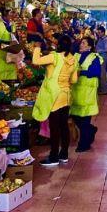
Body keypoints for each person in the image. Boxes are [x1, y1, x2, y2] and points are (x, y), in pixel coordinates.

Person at [32, 34, 78, 166]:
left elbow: (36, 60)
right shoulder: (73, 59)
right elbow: (74, 80)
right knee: (63, 126)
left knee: (54, 128)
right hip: (66, 95)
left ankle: (53, 157)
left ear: (58, 45)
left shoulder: (54, 56)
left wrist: (37, 47)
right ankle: (64, 155)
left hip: (54, 96)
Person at [71, 37, 101, 152]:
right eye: (81, 43)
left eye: (83, 43)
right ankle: (91, 130)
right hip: (76, 91)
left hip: (88, 92)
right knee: (75, 115)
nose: (81, 45)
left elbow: (96, 72)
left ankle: (84, 144)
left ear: (89, 46)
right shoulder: (75, 56)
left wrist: (81, 72)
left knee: (84, 119)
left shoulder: (95, 57)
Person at [95, 26, 107, 94]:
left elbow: (106, 49)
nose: (98, 33)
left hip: (103, 57)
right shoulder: (99, 39)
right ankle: (100, 89)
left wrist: (98, 51)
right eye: (98, 32)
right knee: (99, 73)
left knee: (102, 74)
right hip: (99, 57)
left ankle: (104, 90)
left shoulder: (106, 39)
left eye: (99, 32)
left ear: (103, 32)